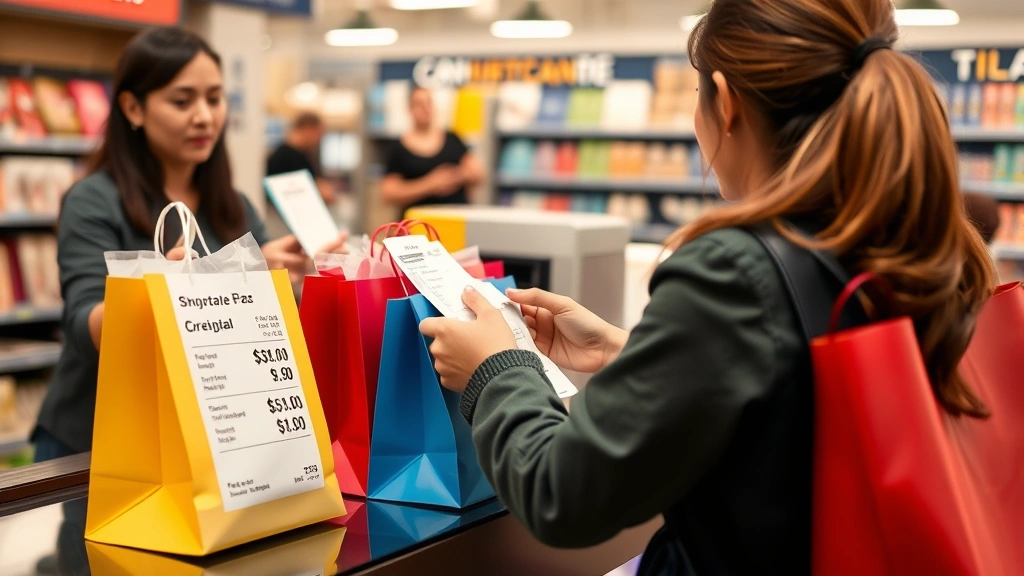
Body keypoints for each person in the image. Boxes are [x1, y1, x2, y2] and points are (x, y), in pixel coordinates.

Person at [418, 1, 996, 574]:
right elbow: (800, 390)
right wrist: (631, 353)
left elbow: (563, 495)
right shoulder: (911, 243)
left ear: (725, 101)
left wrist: (496, 369)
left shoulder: (734, 270)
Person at [33, 27, 346, 465]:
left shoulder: (233, 205)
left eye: (214, 99)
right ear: (133, 107)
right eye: (182, 101)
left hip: (209, 437)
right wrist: (188, 279)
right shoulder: (92, 200)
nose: (204, 116)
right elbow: (86, 326)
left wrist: (304, 274)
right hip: (96, 444)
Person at [380, 86, 484, 215]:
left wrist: (453, 176)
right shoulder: (399, 148)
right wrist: (429, 185)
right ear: (409, 108)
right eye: (420, 103)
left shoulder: (452, 139)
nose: (425, 108)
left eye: (429, 102)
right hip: (418, 225)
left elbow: (478, 173)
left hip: (456, 221)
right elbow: (389, 194)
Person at [266, 111, 335, 204]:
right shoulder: (286, 156)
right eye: (318, 134)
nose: (318, 140)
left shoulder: (301, 155)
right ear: (308, 129)